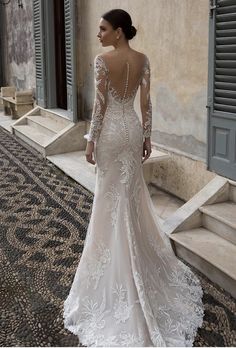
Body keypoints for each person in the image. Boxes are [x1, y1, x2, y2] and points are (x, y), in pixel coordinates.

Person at [63, 9, 204, 347]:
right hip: (132, 131)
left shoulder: (102, 61)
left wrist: (91, 141)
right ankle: (136, 257)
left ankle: (118, 264)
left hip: (111, 135)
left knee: (110, 197)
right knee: (129, 196)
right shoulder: (143, 59)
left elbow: (99, 107)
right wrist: (147, 137)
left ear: (119, 32)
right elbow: (146, 101)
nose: (99, 35)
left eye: (103, 29)